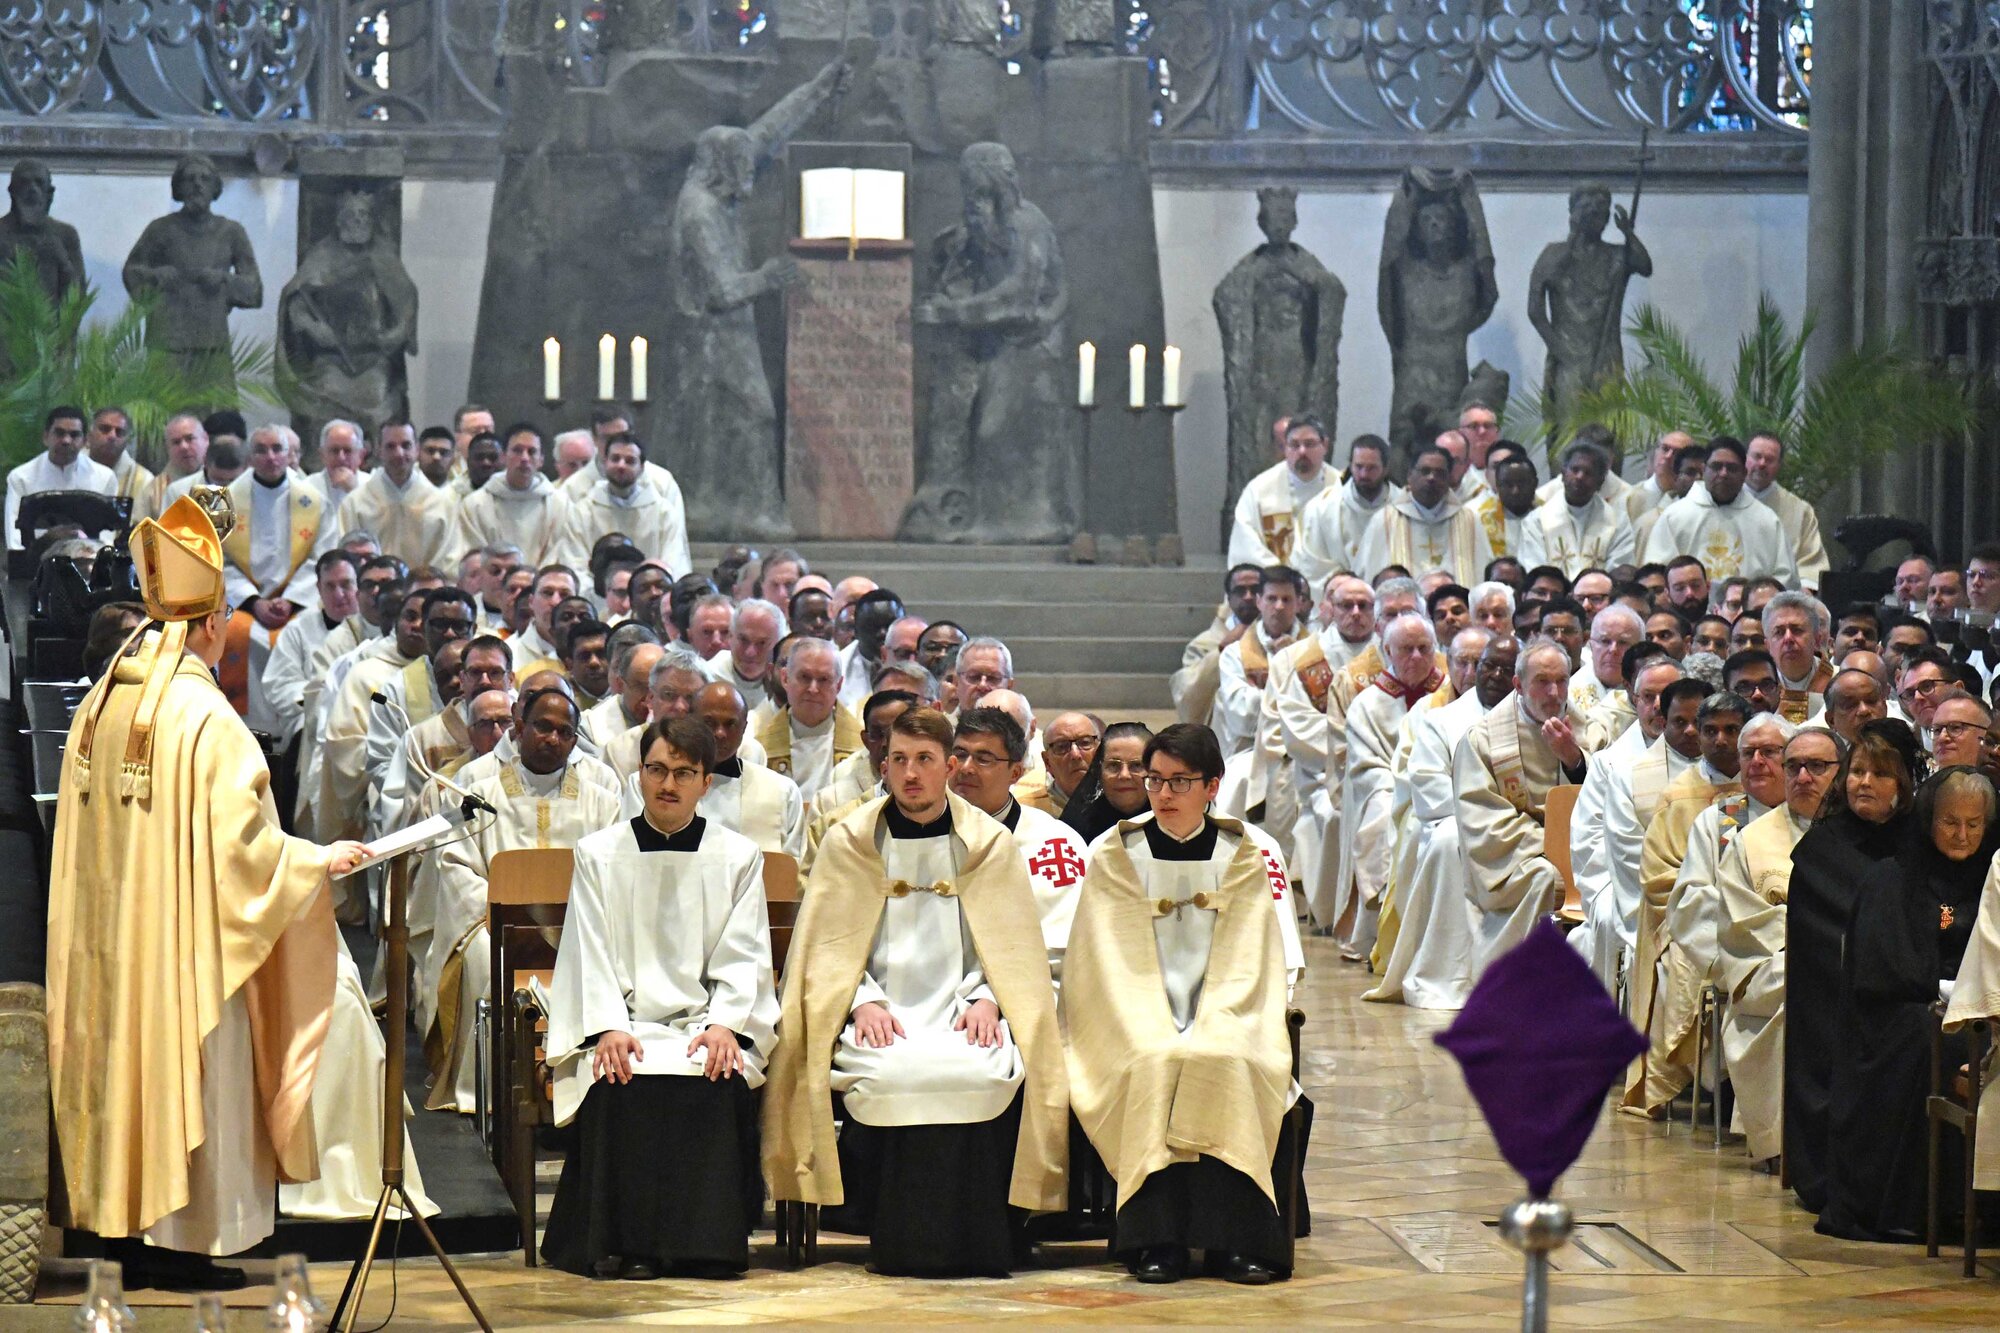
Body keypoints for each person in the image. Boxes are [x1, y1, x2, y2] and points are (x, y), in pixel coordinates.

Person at [48, 494, 366, 1283]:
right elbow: (245, 850)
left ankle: (118, 1227)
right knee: (205, 1071)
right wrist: (315, 865)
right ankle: (185, 1245)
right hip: (187, 949)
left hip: (110, 949)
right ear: (209, 622)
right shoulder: (206, 716)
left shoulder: (98, 703)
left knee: (117, 1071)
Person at [764, 707, 1067, 1277]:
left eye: (924, 760)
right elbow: (825, 948)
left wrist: (986, 998)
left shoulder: (987, 845)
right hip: (879, 1011)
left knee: (983, 1072)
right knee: (889, 1074)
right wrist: (861, 1001)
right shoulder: (849, 843)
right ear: (884, 763)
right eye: (898, 759)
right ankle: (898, 1241)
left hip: (960, 1009)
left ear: (949, 766)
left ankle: (983, 1242)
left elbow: (1006, 945)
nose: (910, 773)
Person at [539, 716, 777, 1278]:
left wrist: (725, 1024)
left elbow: (744, 955)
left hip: (703, 1025)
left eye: (684, 773)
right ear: (639, 774)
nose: (667, 784)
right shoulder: (599, 854)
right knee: (622, 1076)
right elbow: (587, 951)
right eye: (656, 770)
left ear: (706, 783)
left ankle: (704, 1248)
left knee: (715, 1077)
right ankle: (622, 1245)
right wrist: (607, 1027)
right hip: (625, 1024)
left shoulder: (738, 856)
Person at [1064, 723, 1301, 1284]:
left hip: (1230, 1007)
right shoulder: (1114, 852)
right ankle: (1156, 1241)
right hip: (1131, 1011)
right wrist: (1154, 1024)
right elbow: (1100, 959)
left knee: (1225, 1059)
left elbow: (1255, 957)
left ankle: (1236, 1243)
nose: (1164, 795)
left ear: (1212, 785)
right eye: (1155, 781)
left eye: (1180, 782)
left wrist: (1214, 1022)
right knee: (1155, 1060)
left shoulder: (1247, 851)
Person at [425, 676, 623, 1112]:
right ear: (519, 727)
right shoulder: (482, 795)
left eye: (564, 732)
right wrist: (502, 917)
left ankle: (583, 1086)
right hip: (495, 923)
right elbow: (458, 868)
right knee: (480, 957)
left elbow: (614, 872)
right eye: (542, 726)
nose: (552, 738)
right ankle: (485, 1086)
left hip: (578, 925)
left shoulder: (601, 801)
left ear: (575, 741)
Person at [1818, 767, 1997, 1241]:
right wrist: (1948, 993)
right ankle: (1921, 1206)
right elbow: (1883, 972)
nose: (1962, 835)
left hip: (1982, 1012)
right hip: (1898, 1017)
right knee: (1933, 1043)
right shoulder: (1891, 878)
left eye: (1974, 825)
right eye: (1950, 823)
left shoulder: (1993, 878)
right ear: (1928, 821)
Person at [1786, 718, 1926, 1213]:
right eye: (1858, 771)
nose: (1864, 783)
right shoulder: (1821, 851)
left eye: (1880, 774)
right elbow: (1818, 944)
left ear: (1905, 784)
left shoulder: (1922, 845)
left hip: (1912, 995)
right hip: (1838, 1006)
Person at [1709, 725, 1845, 1166]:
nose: (1803, 777)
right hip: (1774, 969)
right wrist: (1815, 942)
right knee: (1802, 997)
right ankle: (1786, 1143)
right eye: (1794, 766)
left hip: (1846, 964)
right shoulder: (1749, 841)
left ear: (1842, 773)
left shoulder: (1861, 834)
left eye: (1818, 767)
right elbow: (1741, 923)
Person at [1366, 634, 1515, 1008]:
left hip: (1516, 830)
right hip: (1461, 824)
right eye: (1487, 666)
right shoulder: (1441, 720)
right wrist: (1486, 823)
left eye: (1506, 669)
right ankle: (1450, 972)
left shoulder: (1532, 717)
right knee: (1449, 842)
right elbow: (1430, 789)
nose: (1495, 675)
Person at [1621, 690, 1751, 1116]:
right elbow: (1659, 878)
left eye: (1732, 730)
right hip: (1694, 921)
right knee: (1688, 963)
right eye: (1710, 730)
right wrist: (1720, 901)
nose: (1719, 740)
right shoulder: (1680, 795)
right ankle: (1713, 1080)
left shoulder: (1770, 786)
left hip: (1756, 916)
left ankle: (1746, 1079)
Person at [1456, 636, 1591, 978]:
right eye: (1542, 682)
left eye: (1562, 681)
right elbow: (1484, 819)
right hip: (1522, 857)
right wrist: (1552, 849)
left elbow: (1606, 794)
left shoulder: (1591, 729)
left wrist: (1574, 760)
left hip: (1585, 847)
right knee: (1546, 879)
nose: (1555, 694)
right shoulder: (1482, 740)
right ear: (1517, 685)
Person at [948, 709, 1092, 982]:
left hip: (1024, 989)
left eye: (983, 758)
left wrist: (988, 994)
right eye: (960, 754)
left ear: (1015, 772)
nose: (966, 767)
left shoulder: (1056, 844)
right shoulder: (920, 833)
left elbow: (1058, 949)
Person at [1569, 653, 1685, 989]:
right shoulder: (1610, 763)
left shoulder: (1705, 760)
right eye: (1648, 697)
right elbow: (1589, 837)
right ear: (1634, 701)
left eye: (1669, 695)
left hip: (1687, 881)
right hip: (1620, 882)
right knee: (1607, 918)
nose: (1658, 706)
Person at [1330, 611, 1441, 961]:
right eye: (1406, 649)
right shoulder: (1367, 703)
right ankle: (1380, 935)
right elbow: (1365, 767)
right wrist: (1406, 791)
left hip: (1441, 790)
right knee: (1381, 820)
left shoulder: (1450, 695)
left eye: (1425, 648)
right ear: (1387, 651)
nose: (1417, 657)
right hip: (1387, 789)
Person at [670, 681, 804, 856]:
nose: (720, 733)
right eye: (709, 722)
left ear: (744, 728)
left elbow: (790, 868)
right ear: (689, 722)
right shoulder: (655, 784)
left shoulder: (782, 791)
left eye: (730, 724)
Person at [1642, 437, 1797, 585]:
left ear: (1744, 473)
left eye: (1731, 468)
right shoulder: (1675, 516)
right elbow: (1656, 573)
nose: (1723, 473)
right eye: (1716, 467)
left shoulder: (1767, 520)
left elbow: (1784, 577)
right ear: (1704, 470)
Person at [1352, 442, 1495, 585]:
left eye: (1440, 473)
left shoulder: (1469, 520)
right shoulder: (1384, 520)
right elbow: (1365, 578)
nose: (1431, 478)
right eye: (1425, 471)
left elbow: (1484, 574)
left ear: (1449, 479)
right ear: (1409, 475)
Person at [557, 433, 691, 579]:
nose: (621, 465)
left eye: (630, 461)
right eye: (615, 459)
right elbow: (575, 566)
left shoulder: (663, 513)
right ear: (604, 463)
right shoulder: (583, 512)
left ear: (642, 468)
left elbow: (674, 565)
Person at [334, 420, 453, 570]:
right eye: (391, 446)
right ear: (379, 451)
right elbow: (347, 559)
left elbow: (447, 559)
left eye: (406, 445)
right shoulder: (354, 503)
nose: (399, 453)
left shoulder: (441, 503)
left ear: (417, 449)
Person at [1212, 566, 1304, 756]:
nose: (1279, 606)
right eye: (1272, 599)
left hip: (1303, 756)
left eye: (1286, 600)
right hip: (1249, 756)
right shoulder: (1234, 654)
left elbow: (1323, 712)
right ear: (1259, 601)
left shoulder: (1316, 649)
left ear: (1298, 604)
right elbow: (1242, 715)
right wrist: (1297, 701)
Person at [756, 637, 861, 802]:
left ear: (839, 685)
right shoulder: (758, 749)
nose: (813, 689)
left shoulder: (862, 749)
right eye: (804, 677)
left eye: (824, 679)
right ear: (785, 678)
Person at [451, 424, 572, 564]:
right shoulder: (475, 504)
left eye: (532, 452)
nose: (524, 458)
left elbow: (561, 552)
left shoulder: (560, 505)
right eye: (517, 450)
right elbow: (473, 554)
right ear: (503, 457)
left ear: (541, 460)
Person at [1294, 434, 1397, 594]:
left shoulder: (1401, 507)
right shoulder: (1322, 508)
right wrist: (1349, 587)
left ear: (1386, 468)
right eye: (1359, 466)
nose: (1363, 474)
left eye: (1371, 468)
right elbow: (1312, 564)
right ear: (1350, 465)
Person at [1516, 440, 1636, 577]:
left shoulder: (1618, 522)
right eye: (1575, 470)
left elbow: (1619, 569)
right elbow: (1534, 568)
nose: (1580, 477)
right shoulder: (1536, 520)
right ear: (1563, 474)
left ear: (1600, 481)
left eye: (1588, 473)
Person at [1227, 415, 1331, 567]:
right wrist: (1285, 578)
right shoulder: (1258, 490)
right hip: (1276, 584)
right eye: (1294, 445)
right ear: (1285, 448)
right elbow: (1246, 547)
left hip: (1330, 585)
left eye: (1309, 444)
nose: (1302, 451)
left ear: (1325, 445)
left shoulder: (1342, 488)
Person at [1744, 431, 1829, 591]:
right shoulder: (1724, 501)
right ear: (1744, 459)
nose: (1762, 464)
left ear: (1779, 465)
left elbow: (1810, 562)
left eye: (1769, 460)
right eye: (1756, 456)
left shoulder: (1799, 510)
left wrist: (1803, 594)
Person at [1063, 722, 1155, 845]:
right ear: (1100, 770)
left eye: (1136, 766)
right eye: (1114, 766)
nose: (1124, 775)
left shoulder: (1173, 824)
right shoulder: (1075, 830)